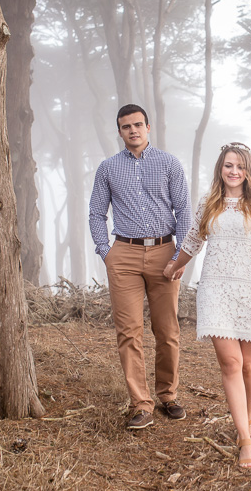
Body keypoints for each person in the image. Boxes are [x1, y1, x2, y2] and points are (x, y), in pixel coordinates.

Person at [163, 142, 251, 469]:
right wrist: (174, 266)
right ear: (221, 168)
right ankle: (245, 439)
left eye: (239, 166)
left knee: (248, 365)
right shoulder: (209, 203)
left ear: (248, 171)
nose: (233, 171)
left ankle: (247, 417)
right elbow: (193, 241)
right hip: (215, 290)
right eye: (228, 165)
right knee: (231, 362)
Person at [89, 104, 192, 430]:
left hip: (165, 253)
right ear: (119, 131)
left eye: (137, 125)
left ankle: (168, 396)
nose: (132, 130)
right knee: (129, 331)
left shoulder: (169, 163)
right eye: (126, 126)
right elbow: (96, 213)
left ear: (148, 127)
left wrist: (181, 256)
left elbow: (184, 211)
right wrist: (106, 252)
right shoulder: (108, 168)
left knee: (167, 330)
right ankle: (140, 404)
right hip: (124, 255)